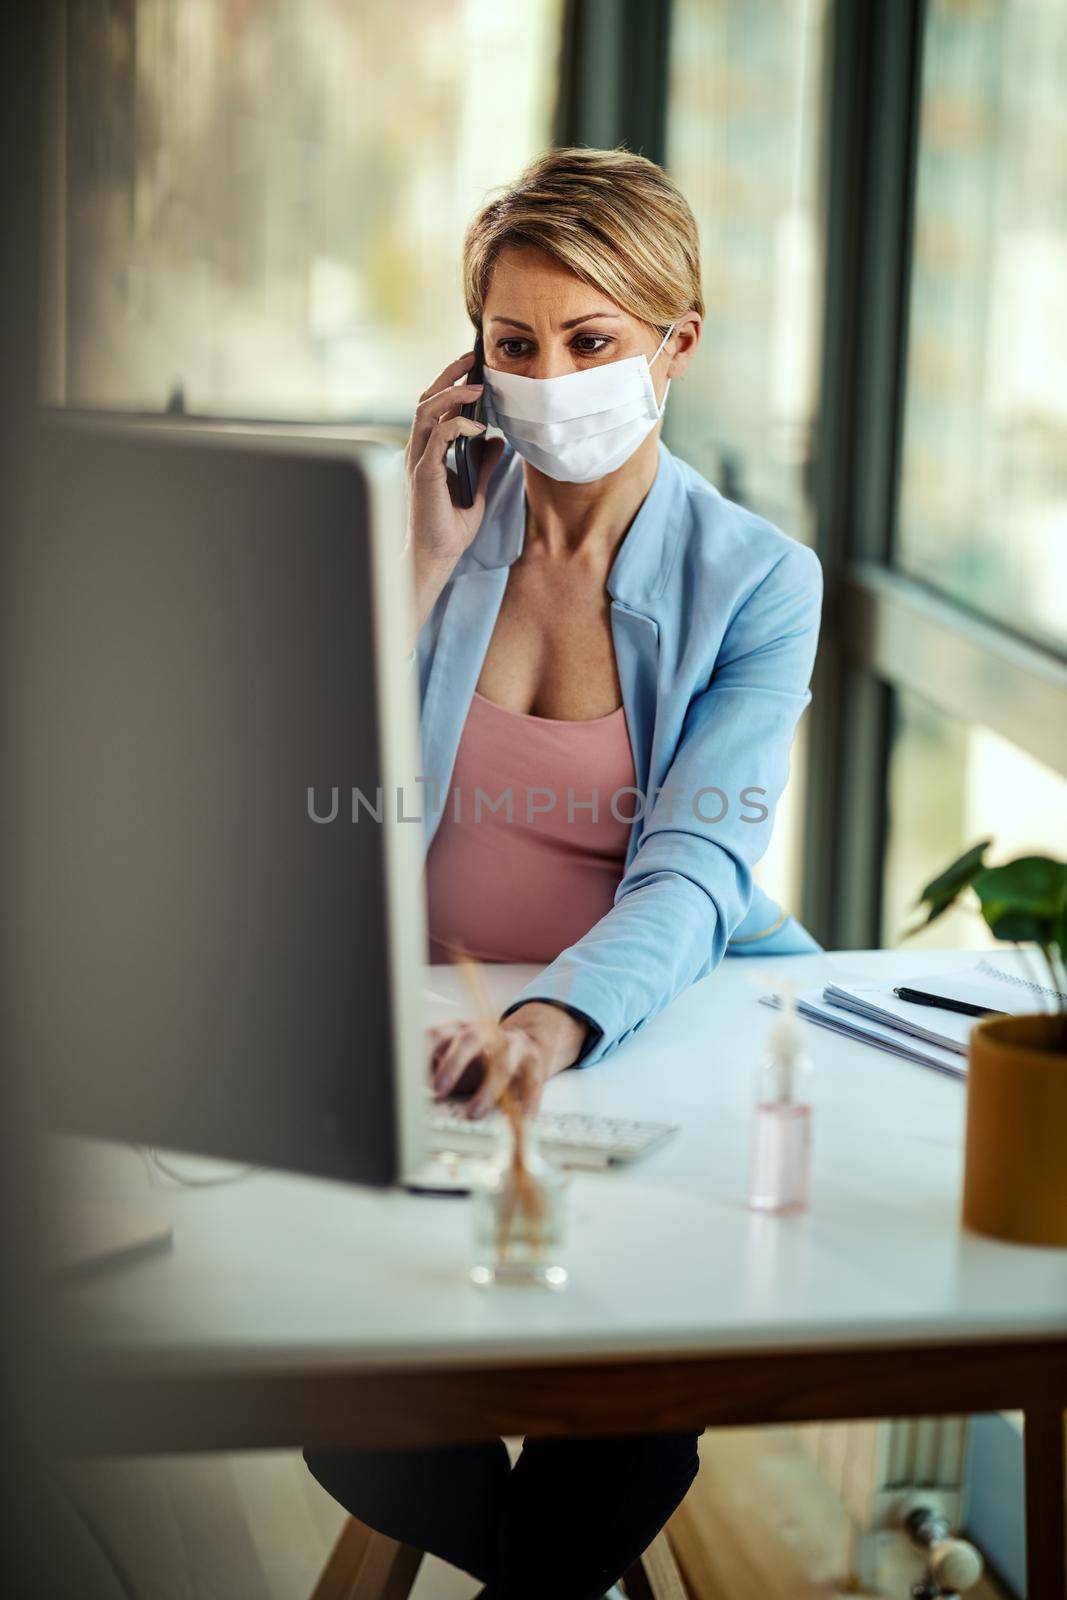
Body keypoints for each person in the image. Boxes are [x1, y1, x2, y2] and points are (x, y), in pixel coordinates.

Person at [305, 146, 822, 1600]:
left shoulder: (760, 580)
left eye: (593, 341)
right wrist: (412, 563)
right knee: (345, 1388)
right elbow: (299, 814)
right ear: (470, 361)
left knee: (628, 1419)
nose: (553, 376)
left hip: (645, 1036)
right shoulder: (419, 527)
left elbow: (696, 867)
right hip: (413, 1039)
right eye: (514, 344)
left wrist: (550, 1024)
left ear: (678, 341)